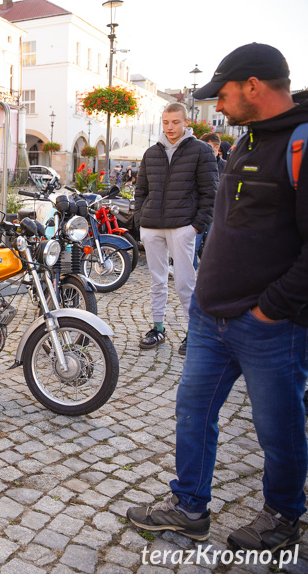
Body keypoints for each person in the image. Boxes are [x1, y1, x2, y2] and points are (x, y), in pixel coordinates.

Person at [127, 43, 308, 553]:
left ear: (254, 86)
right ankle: (189, 507)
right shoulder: (247, 141)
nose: (219, 106)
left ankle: (281, 518)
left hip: (270, 326)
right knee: (192, 409)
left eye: (223, 95)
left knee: (278, 428)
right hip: (211, 317)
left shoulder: (299, 143)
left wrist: (270, 309)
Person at [134, 102, 217, 354]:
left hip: (183, 227)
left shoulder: (201, 150)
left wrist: (195, 226)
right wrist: (140, 219)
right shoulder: (151, 153)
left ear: (185, 122)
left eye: (175, 122)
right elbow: (141, 190)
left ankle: (194, 333)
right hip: (152, 226)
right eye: (166, 122)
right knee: (157, 281)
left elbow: (210, 192)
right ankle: (158, 328)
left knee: (185, 282)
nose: (170, 127)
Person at [193, 132, 227, 268]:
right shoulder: (198, 164)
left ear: (217, 148)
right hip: (199, 211)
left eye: (207, 147)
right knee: (193, 246)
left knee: (213, 248)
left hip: (217, 212)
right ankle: (191, 277)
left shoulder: (225, 166)